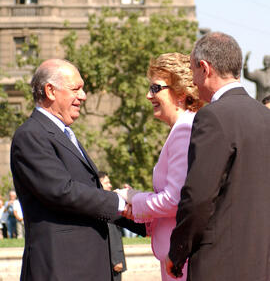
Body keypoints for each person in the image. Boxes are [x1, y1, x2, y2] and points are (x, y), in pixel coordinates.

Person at [10, 59, 145, 281]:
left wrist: (147, 217)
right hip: (62, 269)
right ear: (51, 91)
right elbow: (62, 191)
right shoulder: (31, 135)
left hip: (84, 267)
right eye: (76, 89)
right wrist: (122, 202)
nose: (83, 96)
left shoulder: (62, 134)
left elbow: (86, 194)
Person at [165, 32, 270, 281]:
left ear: (204, 68)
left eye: (192, 70)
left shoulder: (212, 116)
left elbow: (198, 198)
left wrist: (177, 252)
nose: (192, 80)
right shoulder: (265, 116)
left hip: (221, 264)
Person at [116, 52, 203, 281]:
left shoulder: (184, 130)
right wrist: (133, 209)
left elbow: (174, 200)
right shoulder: (182, 128)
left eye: (156, 88)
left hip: (181, 263)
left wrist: (133, 197)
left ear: (182, 93)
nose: (148, 95)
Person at [98, 171, 127, 281]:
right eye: (106, 182)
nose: (110, 185)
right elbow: (112, 234)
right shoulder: (106, 206)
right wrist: (117, 260)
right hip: (113, 263)